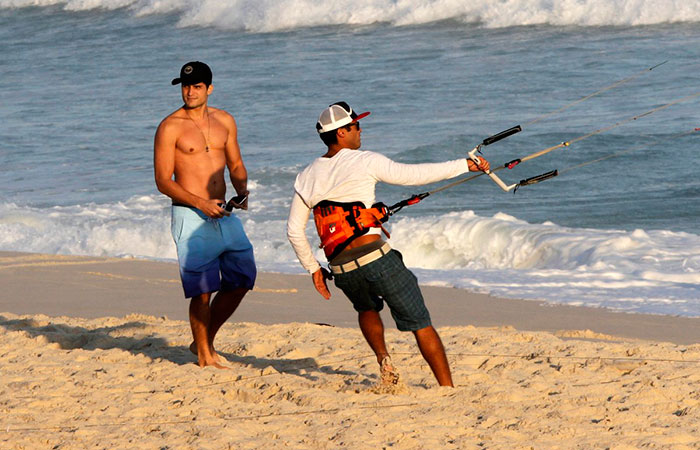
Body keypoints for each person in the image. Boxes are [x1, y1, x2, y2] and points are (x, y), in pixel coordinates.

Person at [287, 101, 490, 387]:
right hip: (376, 259)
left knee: (366, 309)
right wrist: (464, 165)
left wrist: (314, 269)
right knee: (420, 322)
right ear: (342, 133)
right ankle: (447, 388)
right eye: (356, 125)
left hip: (342, 269)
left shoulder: (306, 175)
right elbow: (411, 176)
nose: (360, 130)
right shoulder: (364, 160)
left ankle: (384, 361)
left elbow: (294, 231)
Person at [154, 61, 256, 369]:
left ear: (209, 88)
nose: (190, 92)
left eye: (197, 86)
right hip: (190, 214)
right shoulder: (170, 126)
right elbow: (163, 181)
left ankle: (204, 340)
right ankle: (203, 355)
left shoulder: (225, 120)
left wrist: (242, 191)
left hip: (223, 211)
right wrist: (199, 203)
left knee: (243, 276)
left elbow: (235, 164)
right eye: (185, 86)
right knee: (201, 291)